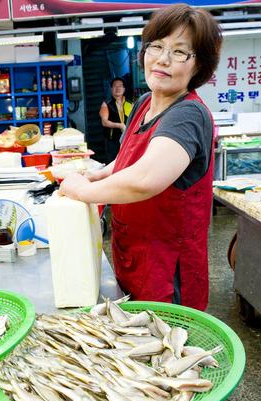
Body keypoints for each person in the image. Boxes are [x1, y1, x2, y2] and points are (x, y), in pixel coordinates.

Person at [58, 3, 222, 311]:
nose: (162, 59)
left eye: (179, 52)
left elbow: (145, 178)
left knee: (167, 350)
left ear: (199, 65)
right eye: (157, 46)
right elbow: (129, 159)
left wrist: (82, 190)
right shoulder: (146, 102)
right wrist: (98, 174)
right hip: (133, 253)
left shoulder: (187, 114)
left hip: (166, 270)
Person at [99, 78, 133, 163]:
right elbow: (104, 122)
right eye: (115, 86)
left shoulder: (130, 104)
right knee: (112, 163)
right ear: (111, 89)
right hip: (112, 141)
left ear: (124, 89)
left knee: (126, 162)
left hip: (127, 139)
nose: (118, 88)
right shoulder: (106, 104)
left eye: (120, 86)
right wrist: (120, 125)